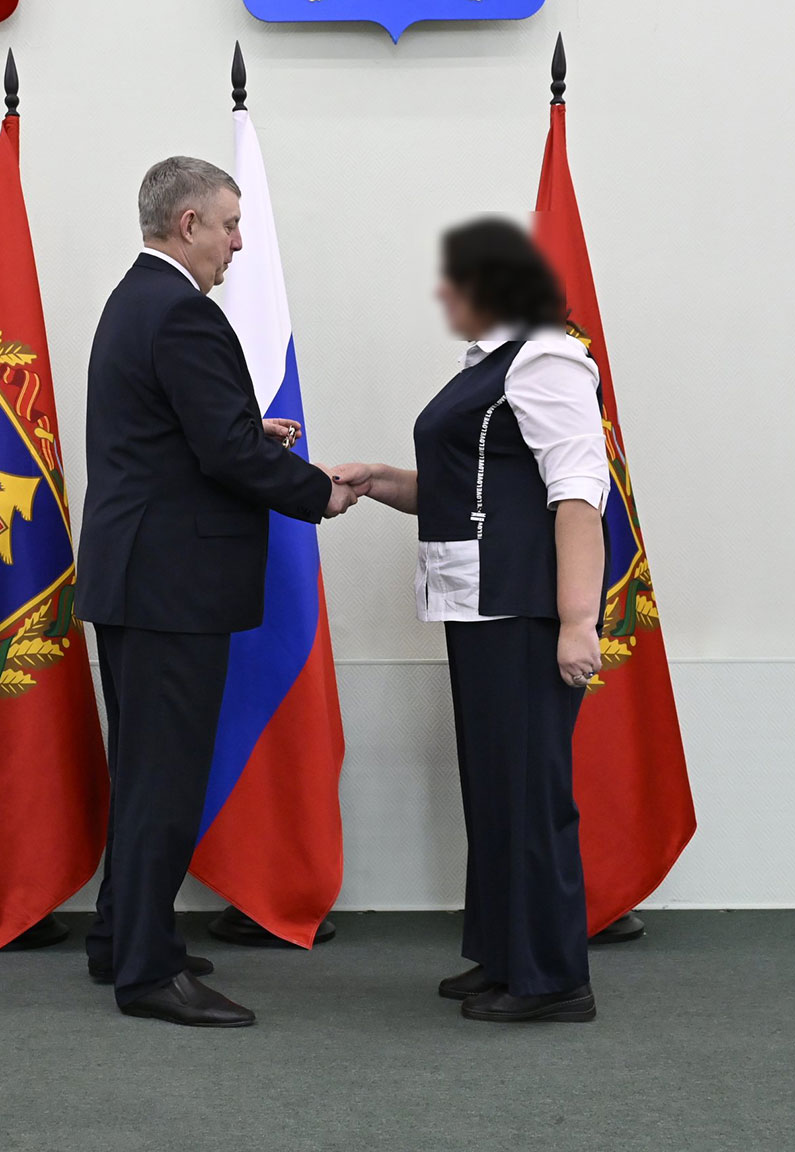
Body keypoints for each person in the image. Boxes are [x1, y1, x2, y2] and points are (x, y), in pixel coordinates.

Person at [75, 156, 358, 1028]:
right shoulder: (184, 313)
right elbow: (223, 454)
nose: (239, 242)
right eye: (230, 225)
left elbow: (177, 434)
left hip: (137, 577)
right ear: (188, 223)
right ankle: (149, 974)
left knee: (143, 772)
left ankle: (121, 935)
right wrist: (316, 492)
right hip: (170, 586)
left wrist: (245, 430)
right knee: (164, 779)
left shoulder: (135, 300)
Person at [332, 217, 606, 1024]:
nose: (444, 293)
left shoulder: (548, 359)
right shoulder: (488, 366)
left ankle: (553, 979)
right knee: (494, 789)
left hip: (522, 607)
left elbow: (578, 495)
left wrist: (577, 621)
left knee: (529, 794)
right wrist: (380, 480)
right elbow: (463, 487)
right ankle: (505, 955)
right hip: (477, 603)